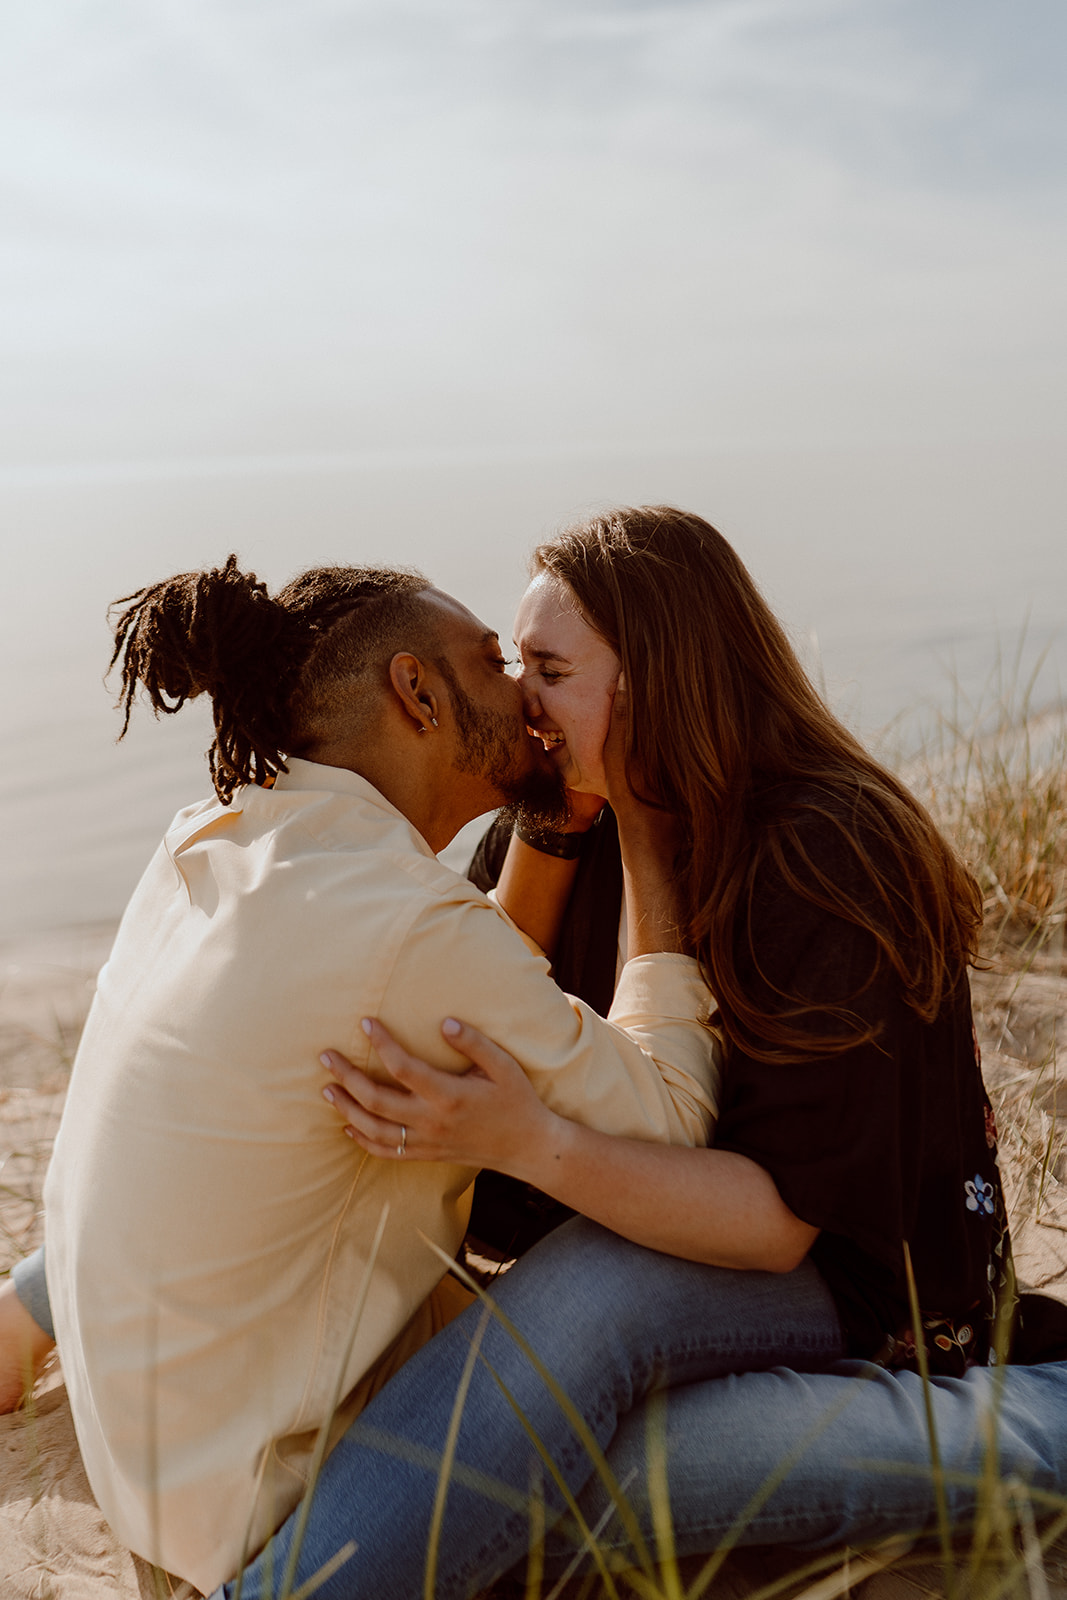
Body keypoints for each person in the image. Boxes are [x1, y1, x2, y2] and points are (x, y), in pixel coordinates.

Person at [194, 506, 1065, 1599]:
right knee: (511, 1480)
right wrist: (552, 843)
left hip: (844, 1293)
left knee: (567, 1405)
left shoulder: (823, 853)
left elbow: (773, 1224)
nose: (521, 701)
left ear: (660, 681)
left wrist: (538, 1140)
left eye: (550, 670)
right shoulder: (560, 823)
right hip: (633, 1256)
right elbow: (458, 1030)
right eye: (517, 664)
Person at [0, 554, 722, 1595]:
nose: (523, 688)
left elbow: (459, 994)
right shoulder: (401, 924)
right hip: (279, 1510)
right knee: (628, 1282)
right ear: (416, 693)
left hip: (152, 1460)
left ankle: (25, 1310)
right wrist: (649, 833)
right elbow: (671, 1117)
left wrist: (553, 826)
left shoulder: (214, 833)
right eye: (489, 659)